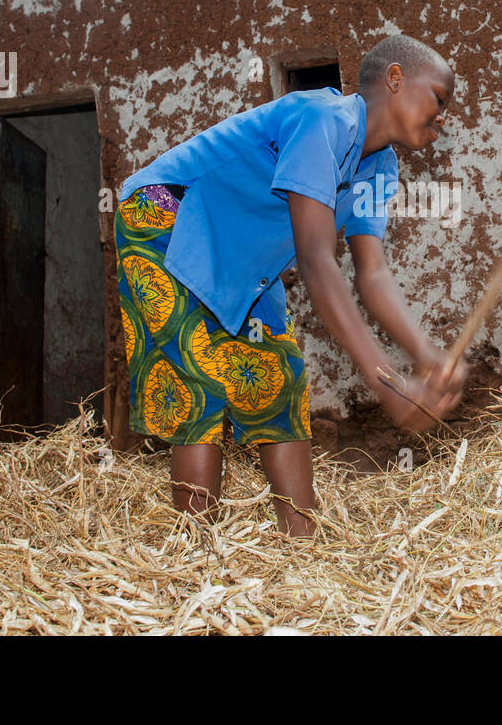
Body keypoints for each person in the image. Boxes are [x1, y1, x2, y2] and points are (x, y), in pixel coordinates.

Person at [114, 34, 469, 537]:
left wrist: (427, 356)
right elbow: (317, 260)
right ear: (395, 79)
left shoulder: (380, 167)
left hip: (238, 258)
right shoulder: (322, 121)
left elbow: (371, 273)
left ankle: (303, 549)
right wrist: (387, 381)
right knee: (199, 378)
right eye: (438, 98)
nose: (441, 117)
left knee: (278, 376)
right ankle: (195, 559)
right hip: (165, 217)